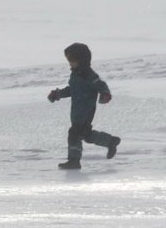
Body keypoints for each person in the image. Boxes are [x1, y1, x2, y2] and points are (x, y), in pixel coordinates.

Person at [46, 42, 120, 170]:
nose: (70, 63)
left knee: (74, 133)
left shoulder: (88, 75)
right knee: (86, 135)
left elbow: (100, 85)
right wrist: (57, 94)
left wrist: (105, 94)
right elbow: (72, 90)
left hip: (85, 110)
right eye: (69, 60)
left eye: (72, 60)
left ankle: (74, 161)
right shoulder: (75, 74)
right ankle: (110, 141)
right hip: (77, 111)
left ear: (82, 60)